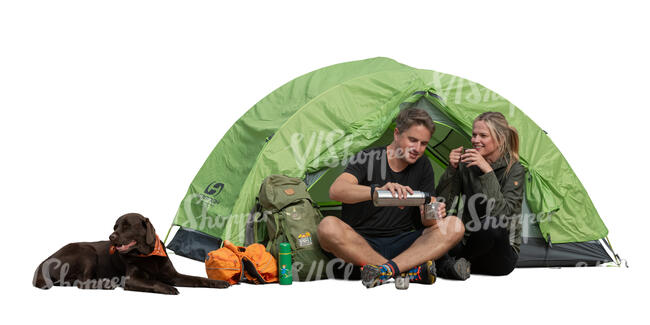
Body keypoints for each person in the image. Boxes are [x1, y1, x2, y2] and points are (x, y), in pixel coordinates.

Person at [317, 108, 465, 288]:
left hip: (403, 243)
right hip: (360, 244)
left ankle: (384, 271)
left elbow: (427, 222)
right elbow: (336, 190)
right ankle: (404, 272)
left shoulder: (423, 165)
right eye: (412, 140)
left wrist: (433, 214)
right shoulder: (367, 157)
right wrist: (376, 192)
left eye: (423, 143)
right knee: (327, 226)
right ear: (397, 134)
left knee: (454, 225)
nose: (417, 149)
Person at [436, 111, 525, 277]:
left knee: (492, 224)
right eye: (474, 135)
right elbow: (443, 204)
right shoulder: (467, 163)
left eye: (483, 135)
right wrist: (452, 170)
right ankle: (456, 267)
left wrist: (488, 172)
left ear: (500, 138)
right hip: (468, 244)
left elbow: (503, 216)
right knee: (436, 218)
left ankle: (449, 266)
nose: (475, 140)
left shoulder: (515, 169)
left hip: (498, 257)